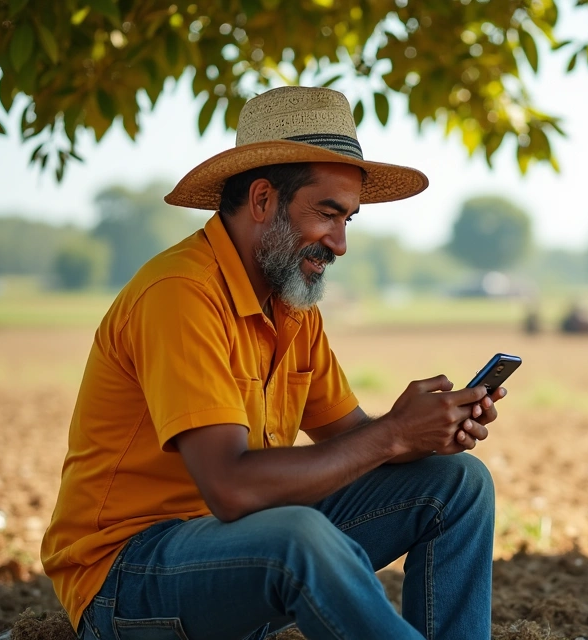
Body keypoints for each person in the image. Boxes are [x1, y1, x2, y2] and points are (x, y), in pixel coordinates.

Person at [41, 86, 505, 640]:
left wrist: (425, 432)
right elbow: (231, 488)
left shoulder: (292, 304)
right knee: (298, 537)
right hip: (128, 580)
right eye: (327, 214)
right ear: (262, 200)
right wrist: (391, 436)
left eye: (348, 220)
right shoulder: (179, 293)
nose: (339, 243)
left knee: (458, 483)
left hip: (240, 549)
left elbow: (356, 443)